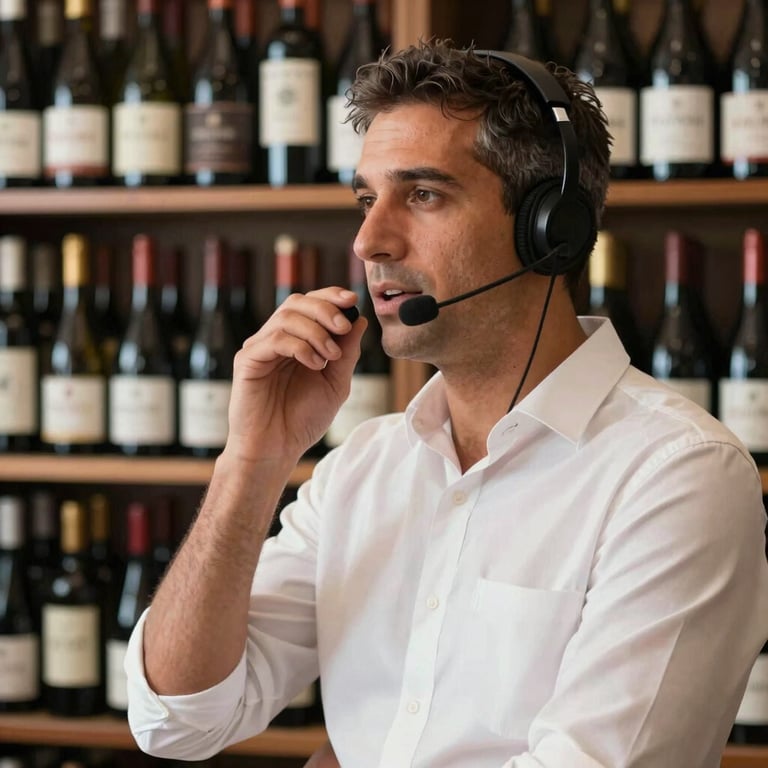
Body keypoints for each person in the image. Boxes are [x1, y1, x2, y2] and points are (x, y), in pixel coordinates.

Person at [125, 39, 768, 767]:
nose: (370, 240)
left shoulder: (678, 475)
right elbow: (176, 721)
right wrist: (250, 462)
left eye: (423, 194)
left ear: (549, 228)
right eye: (367, 199)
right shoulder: (361, 468)